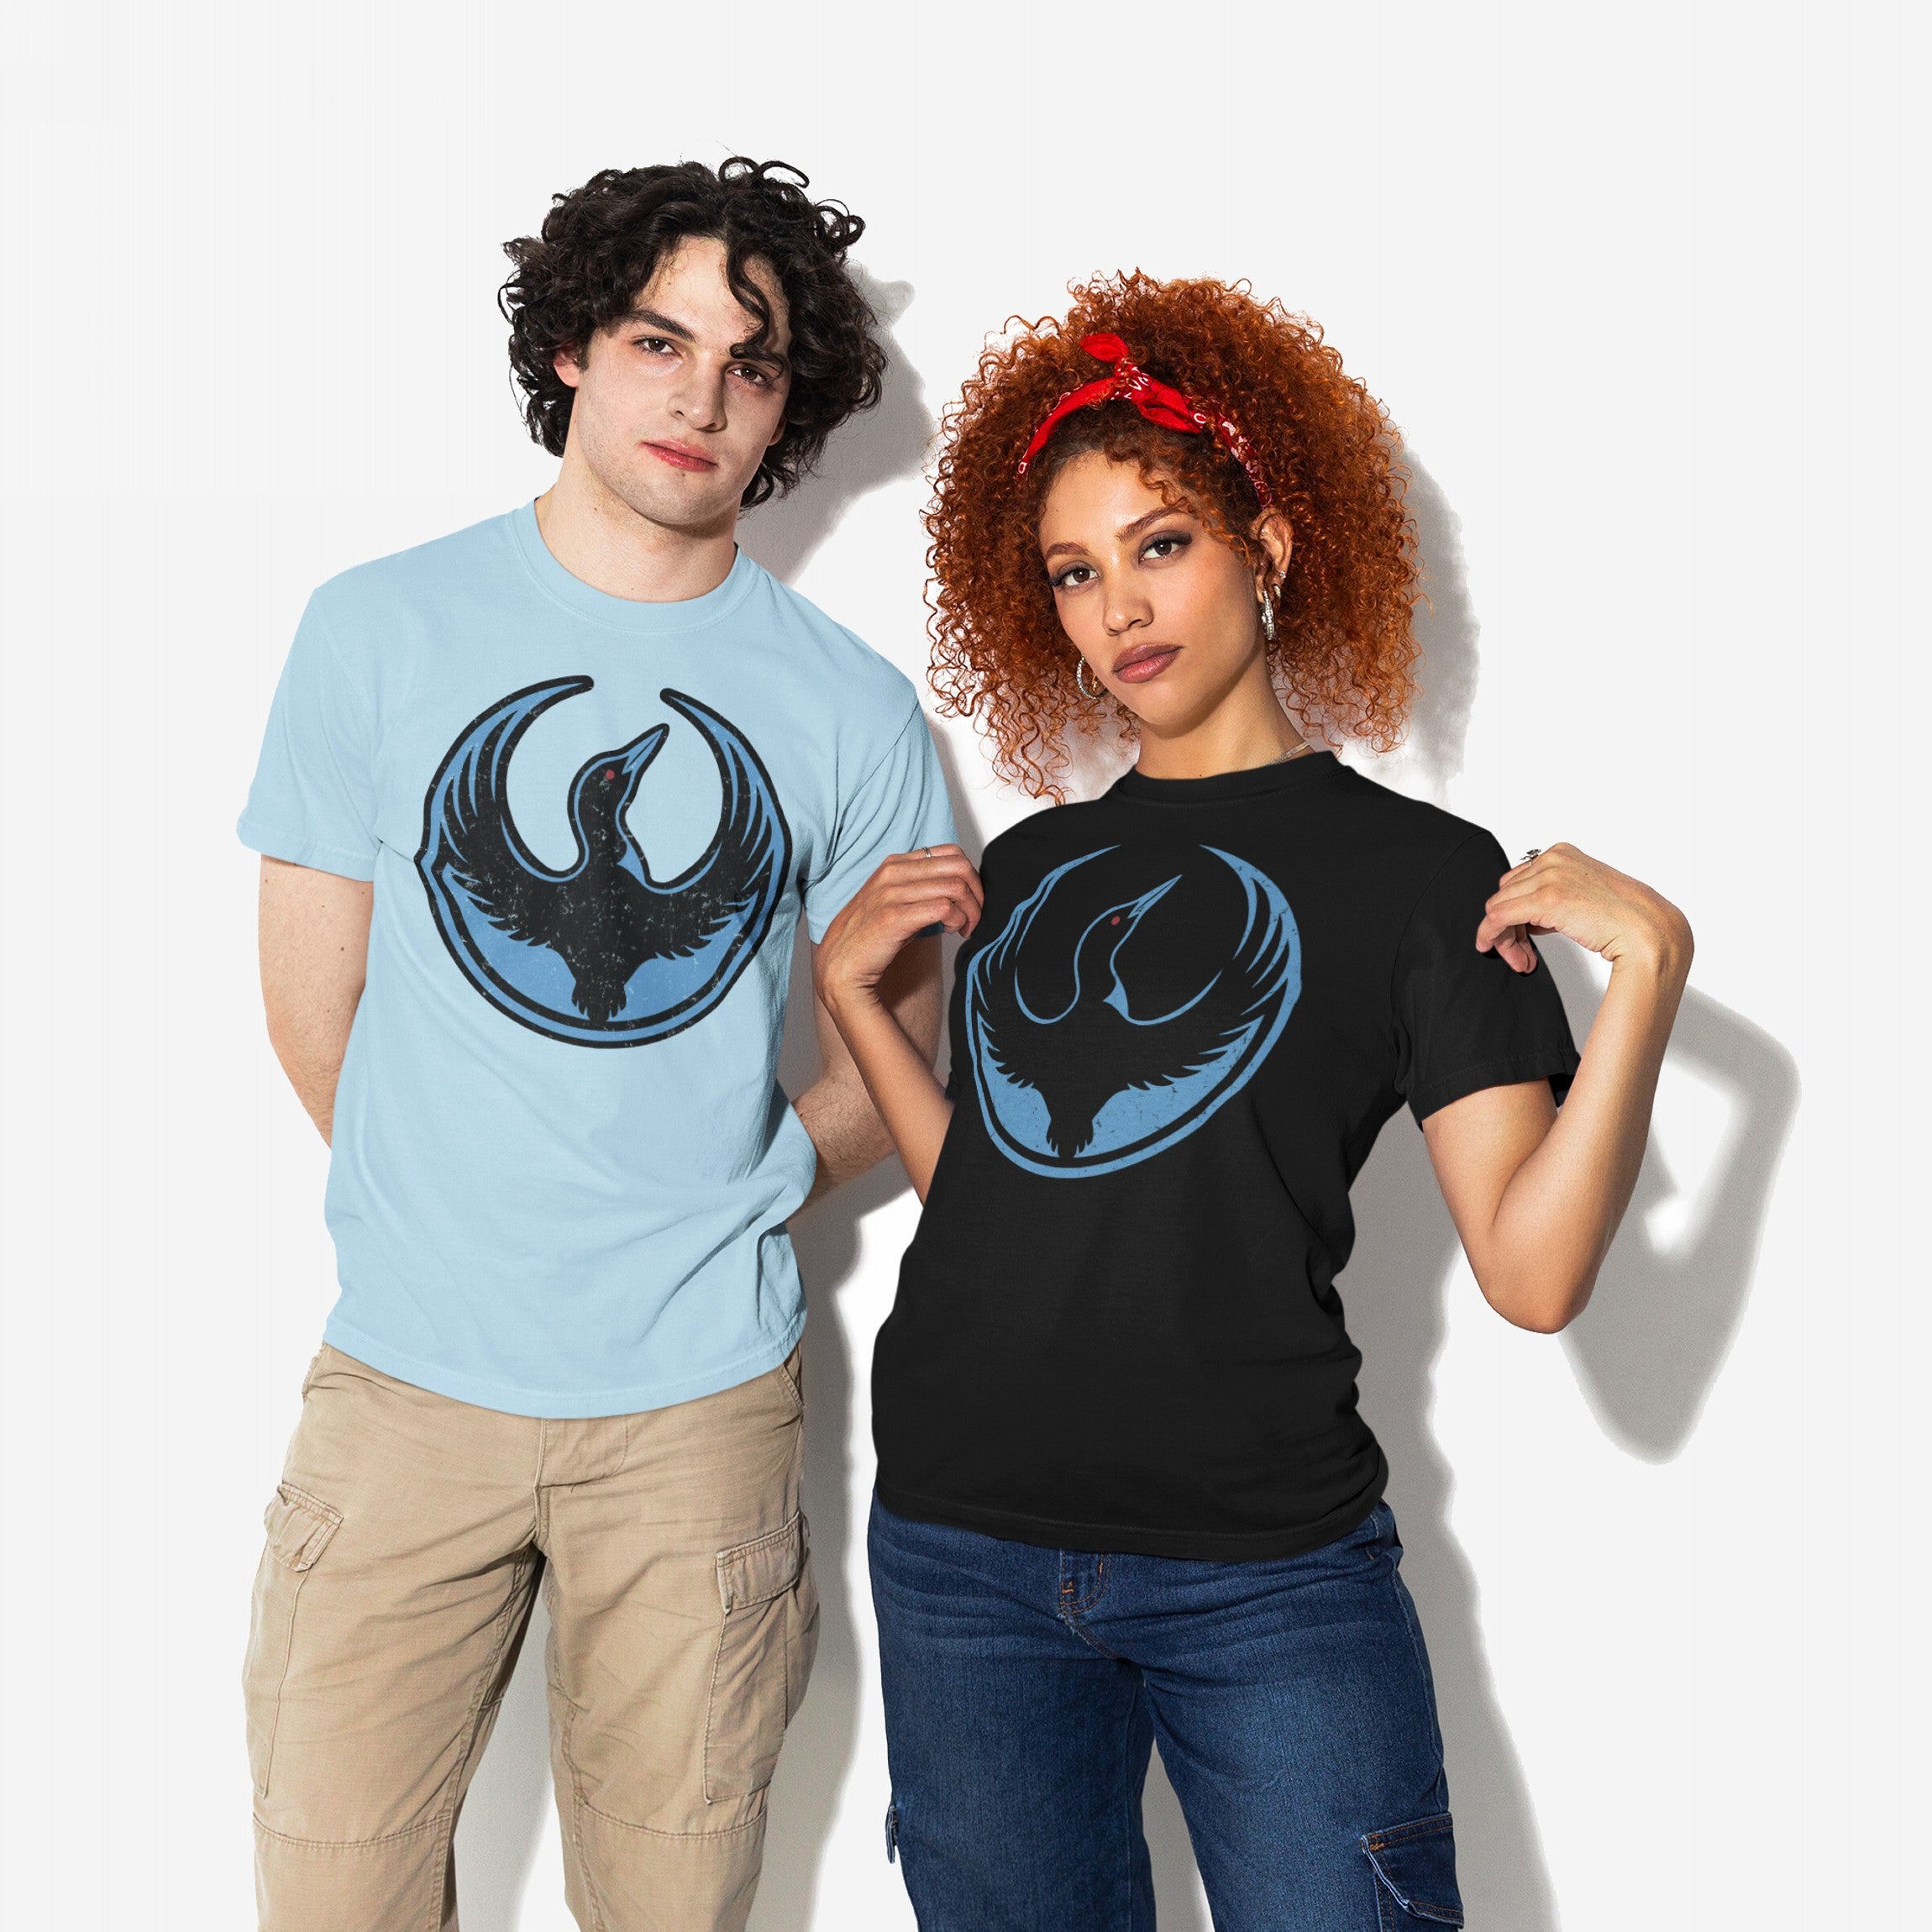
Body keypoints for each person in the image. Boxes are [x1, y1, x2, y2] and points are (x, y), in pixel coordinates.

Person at [815, 274, 1693, 1929]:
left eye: (1159, 545)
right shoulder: (1033, 865)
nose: (1115, 610)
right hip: (958, 1544)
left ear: (1272, 550)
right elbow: (1018, 1196)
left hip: (1257, 1566)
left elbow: (1531, 1273)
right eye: (1074, 571)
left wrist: (1645, 978)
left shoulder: (1428, 883)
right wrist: (859, 1010)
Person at [237, 158, 953, 1932]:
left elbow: (905, 1039)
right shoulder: (379, 626)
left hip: (696, 1411)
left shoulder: (851, 707)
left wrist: (751, 1175)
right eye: (657, 338)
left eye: (752, 362)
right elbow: (313, 1010)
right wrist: (461, 1202)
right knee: (333, 1903)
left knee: (673, 1907)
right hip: (405, 1388)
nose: (699, 394)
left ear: (792, 409)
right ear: (570, 348)